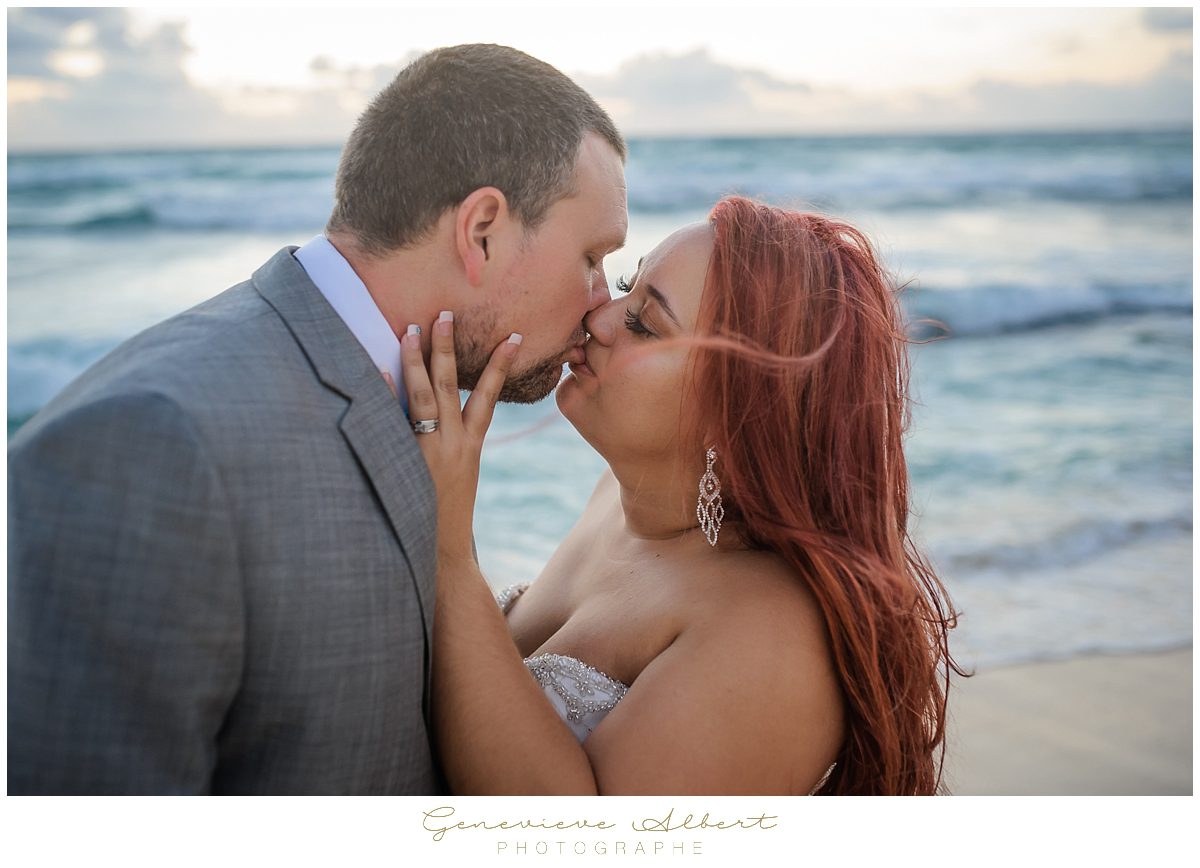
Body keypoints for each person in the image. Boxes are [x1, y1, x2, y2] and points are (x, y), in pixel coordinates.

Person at [7, 44, 627, 794]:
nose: (602, 301)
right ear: (483, 230)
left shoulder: (418, 403)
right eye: (593, 256)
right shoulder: (149, 445)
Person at [400, 196, 963, 795]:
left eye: (644, 322)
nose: (599, 316)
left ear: (740, 410)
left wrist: (450, 551)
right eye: (625, 285)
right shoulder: (615, 502)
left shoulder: (772, 634)